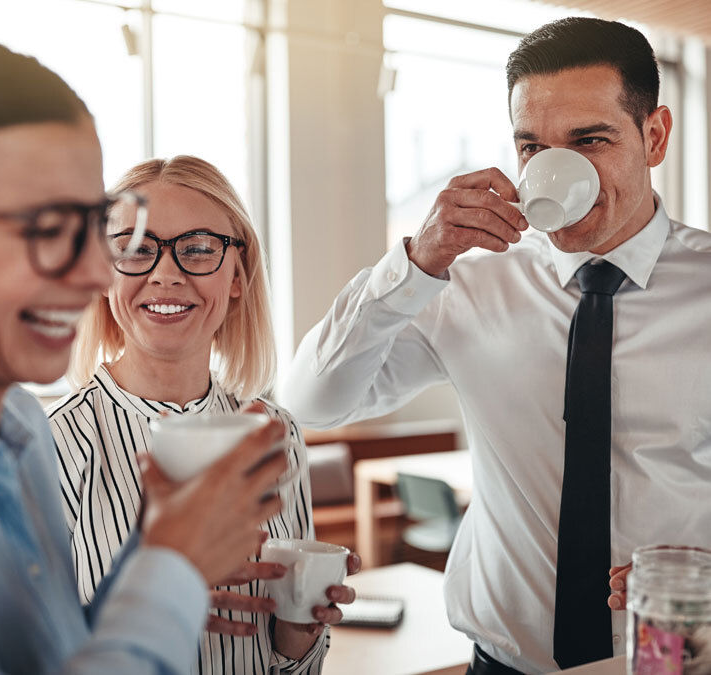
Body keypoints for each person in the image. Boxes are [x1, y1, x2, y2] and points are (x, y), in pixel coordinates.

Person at [0, 36, 289, 674]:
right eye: (44, 228)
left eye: (94, 224)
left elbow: (53, 657)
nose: (98, 275)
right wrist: (170, 570)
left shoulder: (20, 425)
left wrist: (152, 551)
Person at [281, 17, 711, 675]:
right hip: (500, 665)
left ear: (654, 137)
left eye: (589, 140)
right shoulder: (467, 281)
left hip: (675, 660)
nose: (555, 168)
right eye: (532, 147)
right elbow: (311, 399)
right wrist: (413, 264)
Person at [47, 155, 360, 674]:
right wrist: (148, 611)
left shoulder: (277, 435)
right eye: (134, 249)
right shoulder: (52, 443)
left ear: (237, 276)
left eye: (196, 249)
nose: (165, 274)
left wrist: (298, 632)